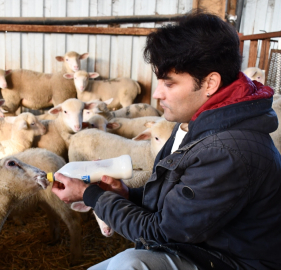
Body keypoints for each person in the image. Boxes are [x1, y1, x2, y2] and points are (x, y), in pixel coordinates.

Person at [51, 11, 281, 270]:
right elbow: (180, 205)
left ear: (210, 83)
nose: (157, 93)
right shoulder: (198, 123)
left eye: (169, 84)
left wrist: (89, 194)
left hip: (231, 261)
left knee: (131, 264)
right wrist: (127, 195)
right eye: (159, 81)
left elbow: (163, 232)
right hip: (205, 248)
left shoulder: (226, 151)